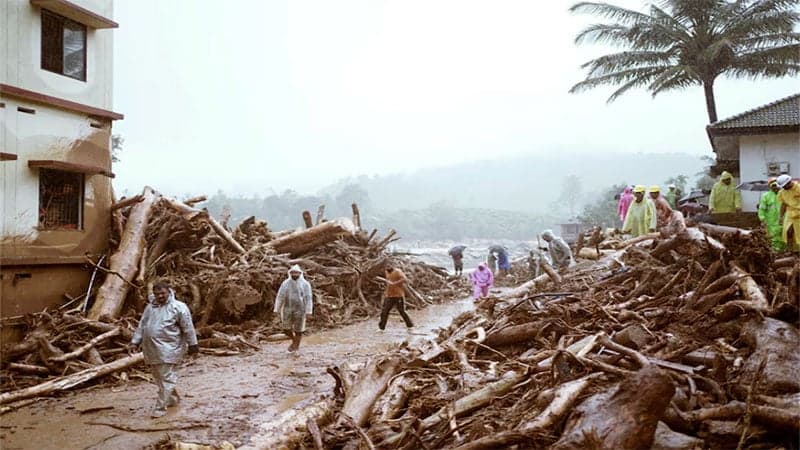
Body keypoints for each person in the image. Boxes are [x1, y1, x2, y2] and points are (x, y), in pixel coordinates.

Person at [130, 281, 198, 418]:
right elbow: (142, 325)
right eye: (157, 294)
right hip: (151, 348)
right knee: (159, 377)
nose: (160, 296)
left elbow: (188, 327)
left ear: (169, 292)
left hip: (169, 348)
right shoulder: (150, 307)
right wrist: (135, 342)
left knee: (166, 377)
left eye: (163, 293)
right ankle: (172, 399)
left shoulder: (179, 307)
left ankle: (160, 408)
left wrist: (193, 345)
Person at [274, 265, 314, 352]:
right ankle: (294, 341)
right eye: (292, 273)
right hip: (287, 308)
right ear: (290, 273)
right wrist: (276, 309)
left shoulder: (305, 284)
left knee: (298, 329)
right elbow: (280, 296)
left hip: (300, 309)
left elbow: (308, 298)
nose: (294, 274)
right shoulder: (285, 283)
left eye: (296, 273)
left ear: (300, 273)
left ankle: (296, 345)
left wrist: (309, 311)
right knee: (286, 329)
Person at [379, 264, 414, 330]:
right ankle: (381, 328)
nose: (387, 268)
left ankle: (410, 326)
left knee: (402, 311)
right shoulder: (386, 272)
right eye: (386, 267)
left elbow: (404, 279)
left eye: (389, 266)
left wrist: (394, 283)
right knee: (384, 311)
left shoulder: (398, 271)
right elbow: (388, 282)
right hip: (389, 296)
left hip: (398, 295)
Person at [758, 178, 785, 251]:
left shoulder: (784, 194)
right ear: (770, 186)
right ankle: (775, 253)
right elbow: (761, 209)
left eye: (776, 185)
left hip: (783, 220)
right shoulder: (766, 196)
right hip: (771, 222)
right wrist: (762, 219)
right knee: (773, 238)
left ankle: (783, 253)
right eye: (773, 186)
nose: (775, 187)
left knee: (784, 238)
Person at [777, 174, 800, 252]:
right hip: (789, 213)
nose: (783, 188)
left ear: (789, 182)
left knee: (798, 234)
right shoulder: (782, 192)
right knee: (787, 232)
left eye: (784, 186)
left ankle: (797, 251)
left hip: (799, 214)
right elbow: (783, 204)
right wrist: (780, 216)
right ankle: (790, 251)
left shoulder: (798, 188)